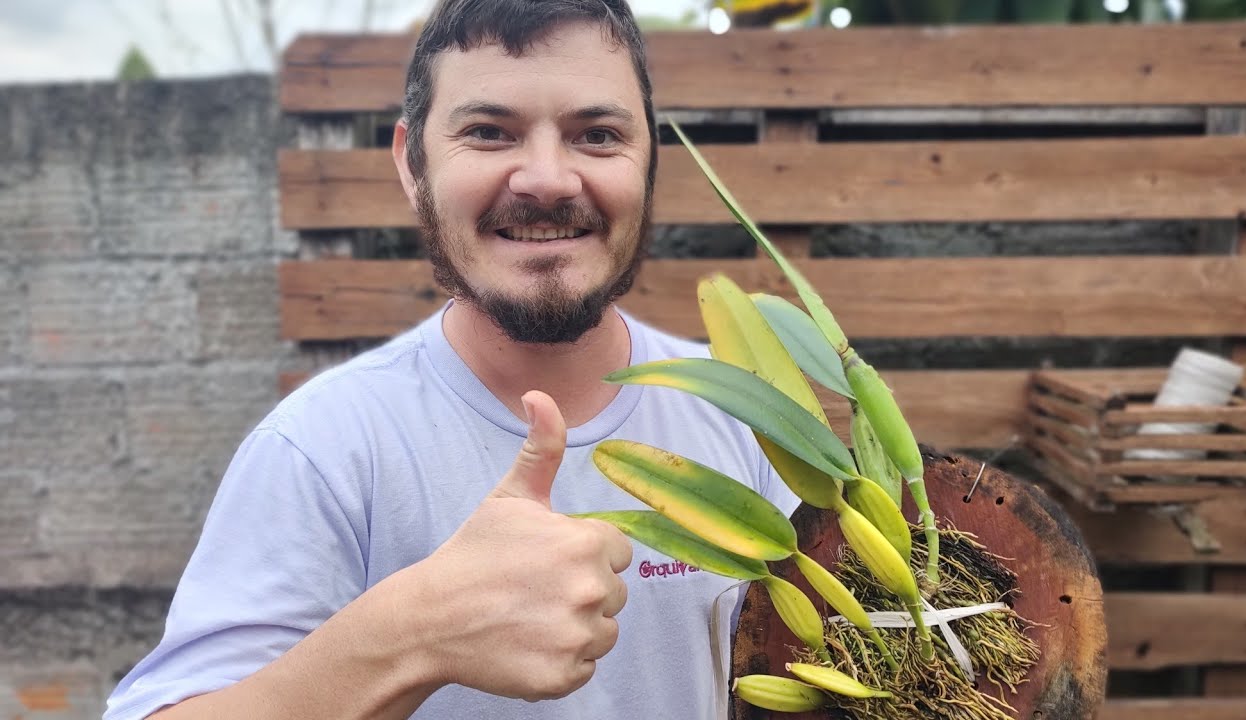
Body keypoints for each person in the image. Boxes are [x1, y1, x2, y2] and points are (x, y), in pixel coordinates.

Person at [104, 0, 798, 718]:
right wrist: (417, 633)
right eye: (489, 132)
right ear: (412, 164)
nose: (548, 180)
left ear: (650, 158)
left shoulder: (741, 415)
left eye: (597, 134)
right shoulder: (324, 446)